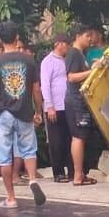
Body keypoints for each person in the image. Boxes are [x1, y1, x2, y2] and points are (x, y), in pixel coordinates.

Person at [0, 21, 46, 210]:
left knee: (4, 156)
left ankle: (11, 198)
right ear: (17, 37)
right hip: (25, 112)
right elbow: (36, 89)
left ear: (0, 39)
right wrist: (38, 111)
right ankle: (33, 179)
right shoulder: (28, 60)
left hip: (4, 114)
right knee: (28, 150)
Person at [64, 25, 96, 185]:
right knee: (78, 137)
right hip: (75, 101)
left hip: (79, 100)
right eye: (87, 35)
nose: (90, 38)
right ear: (78, 36)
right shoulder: (73, 53)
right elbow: (71, 77)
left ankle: (80, 174)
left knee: (82, 136)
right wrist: (92, 71)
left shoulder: (80, 55)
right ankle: (77, 176)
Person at [41, 33, 73, 183]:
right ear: (59, 44)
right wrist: (49, 106)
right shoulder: (48, 62)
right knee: (56, 141)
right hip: (54, 107)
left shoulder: (67, 61)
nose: (67, 48)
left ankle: (72, 171)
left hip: (67, 105)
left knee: (69, 139)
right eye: (66, 44)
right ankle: (58, 172)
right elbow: (45, 85)